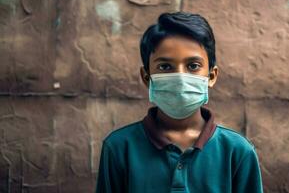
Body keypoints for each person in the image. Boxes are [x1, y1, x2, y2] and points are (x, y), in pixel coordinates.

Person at [95, 11, 263, 193]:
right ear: (146, 77)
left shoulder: (237, 152)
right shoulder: (119, 148)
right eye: (165, 67)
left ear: (211, 76)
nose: (181, 78)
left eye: (193, 66)